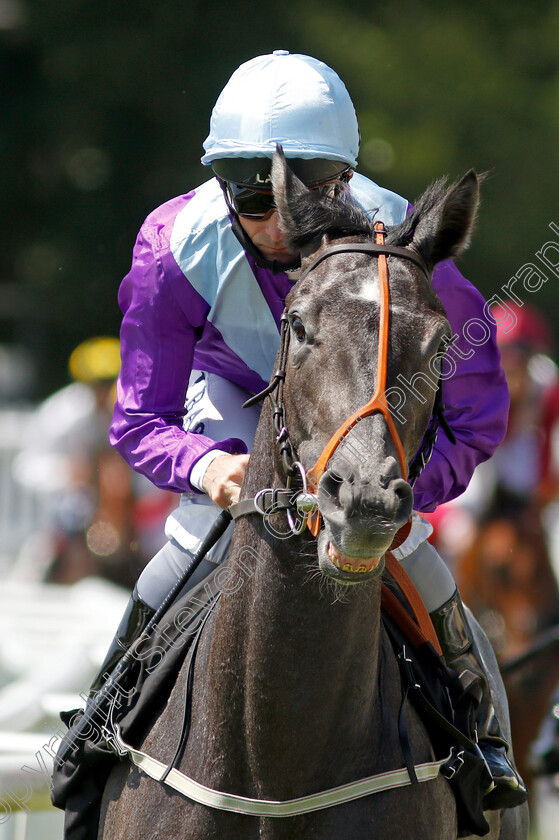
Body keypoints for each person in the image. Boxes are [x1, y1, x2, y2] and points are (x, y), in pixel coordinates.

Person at [93, 51, 526, 807]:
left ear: (345, 181)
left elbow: (476, 416)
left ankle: (484, 743)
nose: (275, 219)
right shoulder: (173, 246)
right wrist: (206, 470)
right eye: (250, 197)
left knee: (422, 560)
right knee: (187, 547)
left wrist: (392, 494)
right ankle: (95, 741)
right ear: (219, 182)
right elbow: (140, 417)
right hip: (238, 402)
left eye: (305, 190)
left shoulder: (410, 248)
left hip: (359, 425)